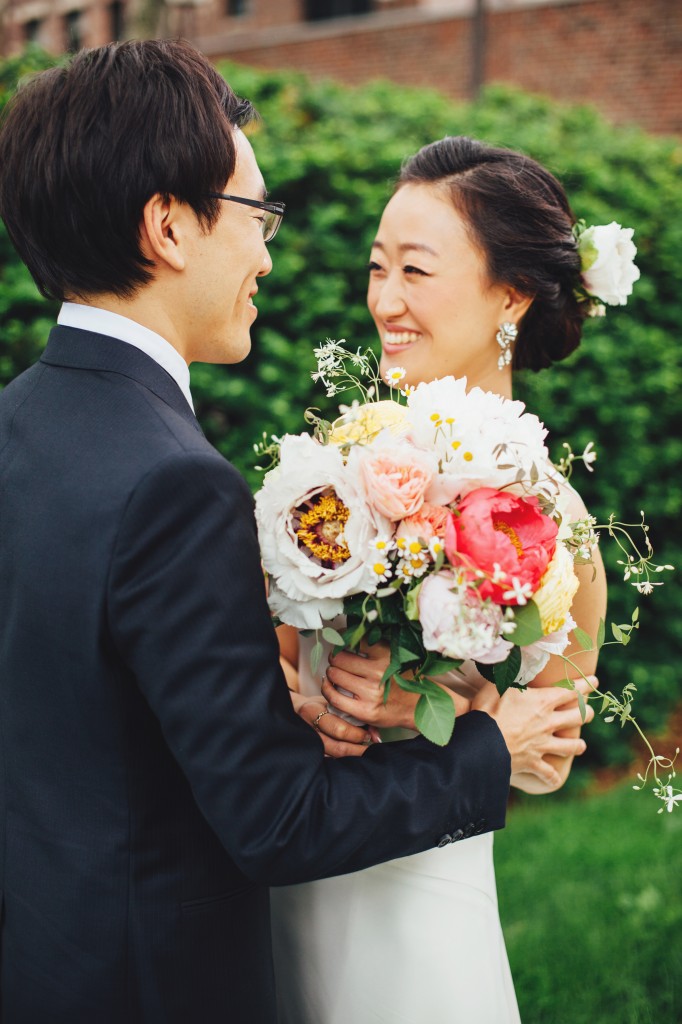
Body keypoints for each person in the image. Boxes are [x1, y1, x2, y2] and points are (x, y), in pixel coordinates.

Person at [0, 45, 593, 1023]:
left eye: (415, 267)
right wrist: (449, 735)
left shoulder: (22, 423)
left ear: (510, 294)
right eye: (255, 216)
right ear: (168, 226)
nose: (270, 253)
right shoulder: (197, 481)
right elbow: (273, 807)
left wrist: (327, 697)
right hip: (184, 955)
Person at [272, 136, 608, 1023]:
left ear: (511, 294)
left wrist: (445, 707)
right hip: (287, 896)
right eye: (378, 268)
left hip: (425, 926)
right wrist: (302, 698)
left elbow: (549, 762)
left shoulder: (554, 518)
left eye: (416, 271)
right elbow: (264, 663)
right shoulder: (330, 471)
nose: (385, 300)